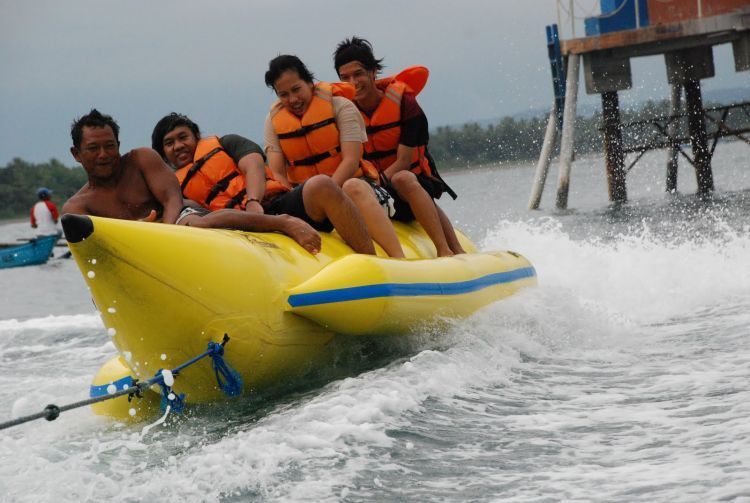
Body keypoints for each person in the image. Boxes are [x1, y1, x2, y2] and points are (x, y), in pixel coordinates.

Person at [62, 109, 322, 254]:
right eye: (93, 149)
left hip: (177, 218)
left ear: (118, 145)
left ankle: (283, 222)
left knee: (195, 222)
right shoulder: (77, 208)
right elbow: (94, 253)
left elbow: (171, 197)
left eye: (109, 146)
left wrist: (167, 232)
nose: (104, 155)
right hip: (135, 248)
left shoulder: (140, 159)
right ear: (76, 154)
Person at [151, 112, 375, 255]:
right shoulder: (173, 187)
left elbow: (254, 165)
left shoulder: (225, 142)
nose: (178, 146)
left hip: (273, 203)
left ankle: (371, 262)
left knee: (321, 184)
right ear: (163, 154)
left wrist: (253, 200)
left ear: (197, 136)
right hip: (239, 227)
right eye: (169, 143)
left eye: (183, 137)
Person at [264, 54, 405, 258]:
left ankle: (398, 258)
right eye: (283, 94)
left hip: (351, 187)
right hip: (312, 198)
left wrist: (330, 194)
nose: (293, 100)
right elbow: (278, 172)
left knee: (353, 186)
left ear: (309, 83)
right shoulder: (273, 121)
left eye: (296, 89)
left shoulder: (341, 107)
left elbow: (350, 160)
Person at [334, 37, 465, 256]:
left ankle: (447, 249)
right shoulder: (343, 112)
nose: (352, 82)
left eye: (358, 74)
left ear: (373, 72)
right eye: (345, 77)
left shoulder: (405, 102)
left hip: (411, 183)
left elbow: (404, 161)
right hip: (371, 189)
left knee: (403, 178)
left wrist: (378, 182)